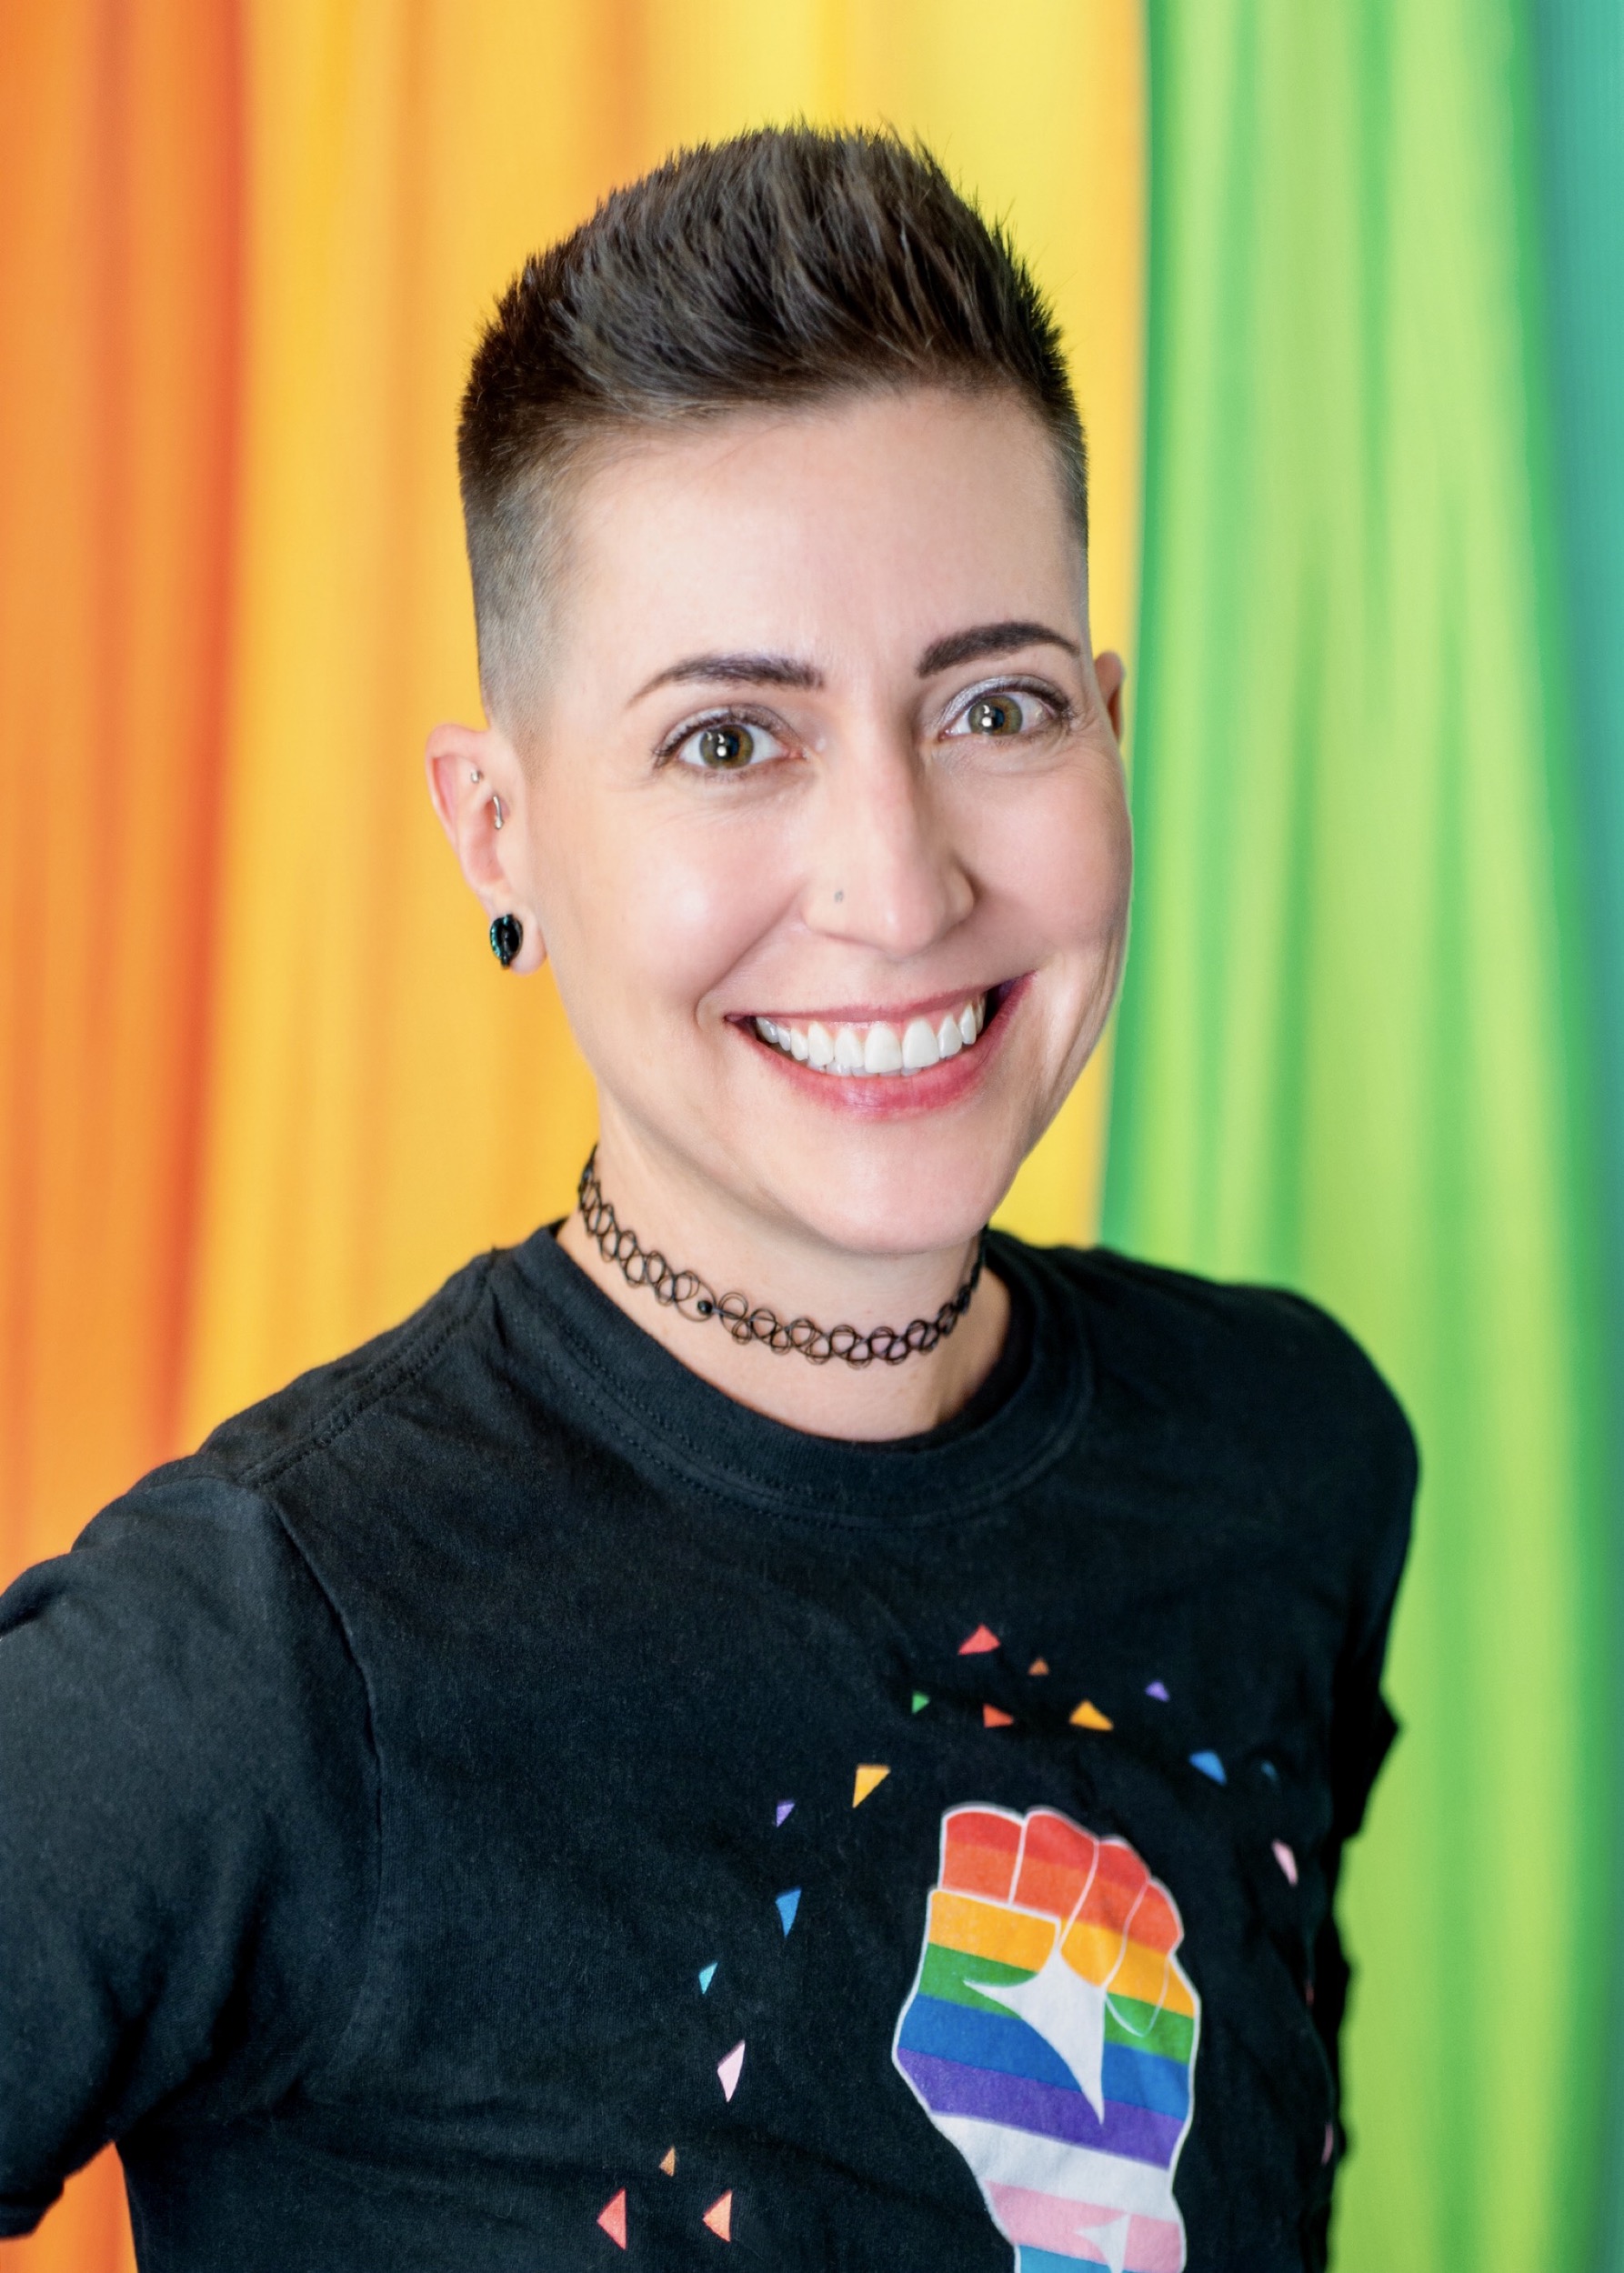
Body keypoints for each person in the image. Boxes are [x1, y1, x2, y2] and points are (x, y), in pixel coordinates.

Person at [0, 128, 1414, 2272]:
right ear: (498, 831)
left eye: (996, 704)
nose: (898, 879)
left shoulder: (1286, 1451)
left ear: (1109, 729)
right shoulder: (267, 1663)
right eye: (729, 743)